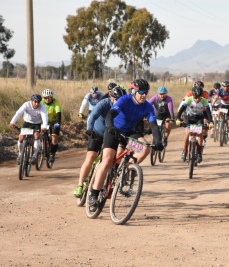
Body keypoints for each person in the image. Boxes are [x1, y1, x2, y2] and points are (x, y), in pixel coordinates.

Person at [88, 79, 163, 208]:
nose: (144, 95)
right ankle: (94, 194)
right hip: (113, 131)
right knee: (107, 160)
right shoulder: (125, 99)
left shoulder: (147, 106)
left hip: (129, 133)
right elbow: (110, 114)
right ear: (134, 91)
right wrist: (111, 126)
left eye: (146, 92)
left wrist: (158, 141)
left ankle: (127, 169)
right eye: (141, 92)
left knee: (145, 149)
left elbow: (153, 125)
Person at [73, 86, 126, 198]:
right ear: (111, 96)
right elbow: (92, 115)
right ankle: (80, 185)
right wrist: (89, 129)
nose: (119, 102)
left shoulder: (124, 106)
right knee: (91, 156)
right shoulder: (104, 103)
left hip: (111, 135)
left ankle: (109, 183)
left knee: (113, 158)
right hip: (97, 132)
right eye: (116, 99)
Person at [176, 84, 213, 163]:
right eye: (195, 97)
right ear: (192, 95)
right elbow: (181, 110)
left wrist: (211, 122)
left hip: (199, 118)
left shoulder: (204, 101)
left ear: (201, 96)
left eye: (199, 97)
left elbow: (208, 112)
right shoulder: (188, 100)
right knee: (187, 133)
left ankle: (199, 153)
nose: (197, 99)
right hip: (190, 117)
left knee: (200, 134)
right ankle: (185, 151)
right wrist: (178, 119)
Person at [9, 94, 49, 165]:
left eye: (38, 102)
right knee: (21, 138)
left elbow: (44, 116)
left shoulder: (42, 107)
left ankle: (34, 156)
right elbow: (18, 113)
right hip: (27, 123)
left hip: (37, 124)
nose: (37, 104)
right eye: (35, 102)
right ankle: (20, 155)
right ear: (31, 101)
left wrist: (44, 126)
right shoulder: (26, 105)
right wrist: (12, 122)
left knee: (36, 136)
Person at [41, 89, 62, 163]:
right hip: (44, 122)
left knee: (54, 137)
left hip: (53, 122)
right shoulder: (41, 102)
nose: (47, 99)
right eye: (45, 98)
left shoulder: (56, 102)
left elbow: (58, 114)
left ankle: (52, 154)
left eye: (48, 98)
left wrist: (58, 123)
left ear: (51, 98)